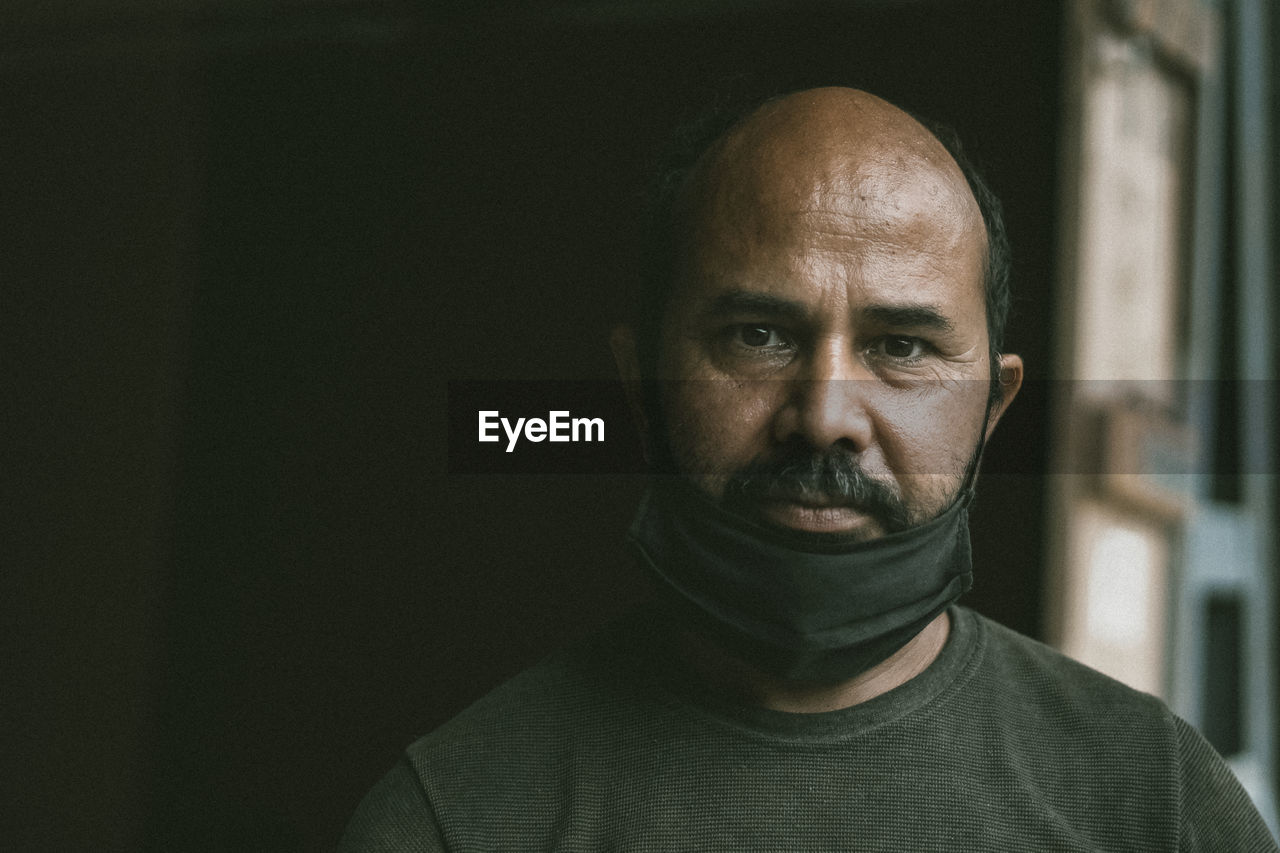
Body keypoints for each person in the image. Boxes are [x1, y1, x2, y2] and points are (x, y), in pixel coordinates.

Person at [341, 87, 1278, 850]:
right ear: (641, 385)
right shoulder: (453, 818)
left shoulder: (1156, 802)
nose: (824, 417)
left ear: (994, 407)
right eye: (758, 335)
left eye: (903, 347)